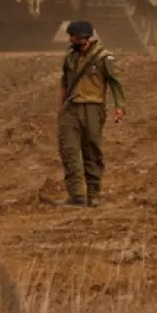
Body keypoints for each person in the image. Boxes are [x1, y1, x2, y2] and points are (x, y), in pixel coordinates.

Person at [57, 20, 125, 207]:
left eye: (73, 37)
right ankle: (76, 194)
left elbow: (115, 82)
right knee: (68, 150)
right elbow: (64, 82)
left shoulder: (103, 58)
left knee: (92, 150)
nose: (70, 40)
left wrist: (119, 106)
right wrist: (61, 108)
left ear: (84, 38)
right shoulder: (70, 57)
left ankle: (94, 193)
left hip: (93, 108)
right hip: (71, 108)